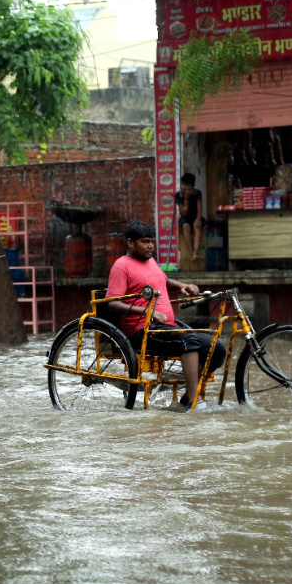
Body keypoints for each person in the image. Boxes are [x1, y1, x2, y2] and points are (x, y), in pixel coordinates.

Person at [106, 221, 226, 412]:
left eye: (152, 242)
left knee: (216, 347)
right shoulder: (122, 266)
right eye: (145, 242)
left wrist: (181, 286)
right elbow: (112, 303)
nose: (151, 246)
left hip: (166, 328)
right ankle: (196, 402)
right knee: (188, 340)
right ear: (130, 243)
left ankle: (187, 398)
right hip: (141, 332)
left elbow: (162, 279)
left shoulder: (150, 261)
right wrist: (147, 311)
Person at [175, 173, 204, 262]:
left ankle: (196, 252)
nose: (184, 187)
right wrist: (186, 199)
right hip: (185, 217)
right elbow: (184, 212)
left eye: (187, 185)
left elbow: (199, 208)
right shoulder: (178, 195)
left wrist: (198, 219)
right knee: (185, 226)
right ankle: (192, 253)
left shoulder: (197, 193)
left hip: (195, 215)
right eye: (183, 184)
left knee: (197, 226)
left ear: (193, 186)